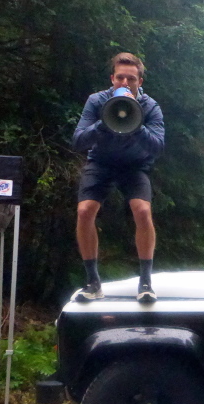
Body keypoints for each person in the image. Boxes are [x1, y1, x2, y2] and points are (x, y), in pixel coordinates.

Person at [71, 52, 165, 303]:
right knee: (84, 211)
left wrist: (136, 123)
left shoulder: (150, 106)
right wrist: (104, 122)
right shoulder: (96, 101)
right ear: (112, 79)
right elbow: (78, 140)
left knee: (142, 211)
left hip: (134, 166)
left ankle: (146, 282)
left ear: (139, 82)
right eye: (120, 77)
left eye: (131, 79)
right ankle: (93, 282)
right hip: (101, 163)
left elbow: (158, 146)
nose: (125, 83)